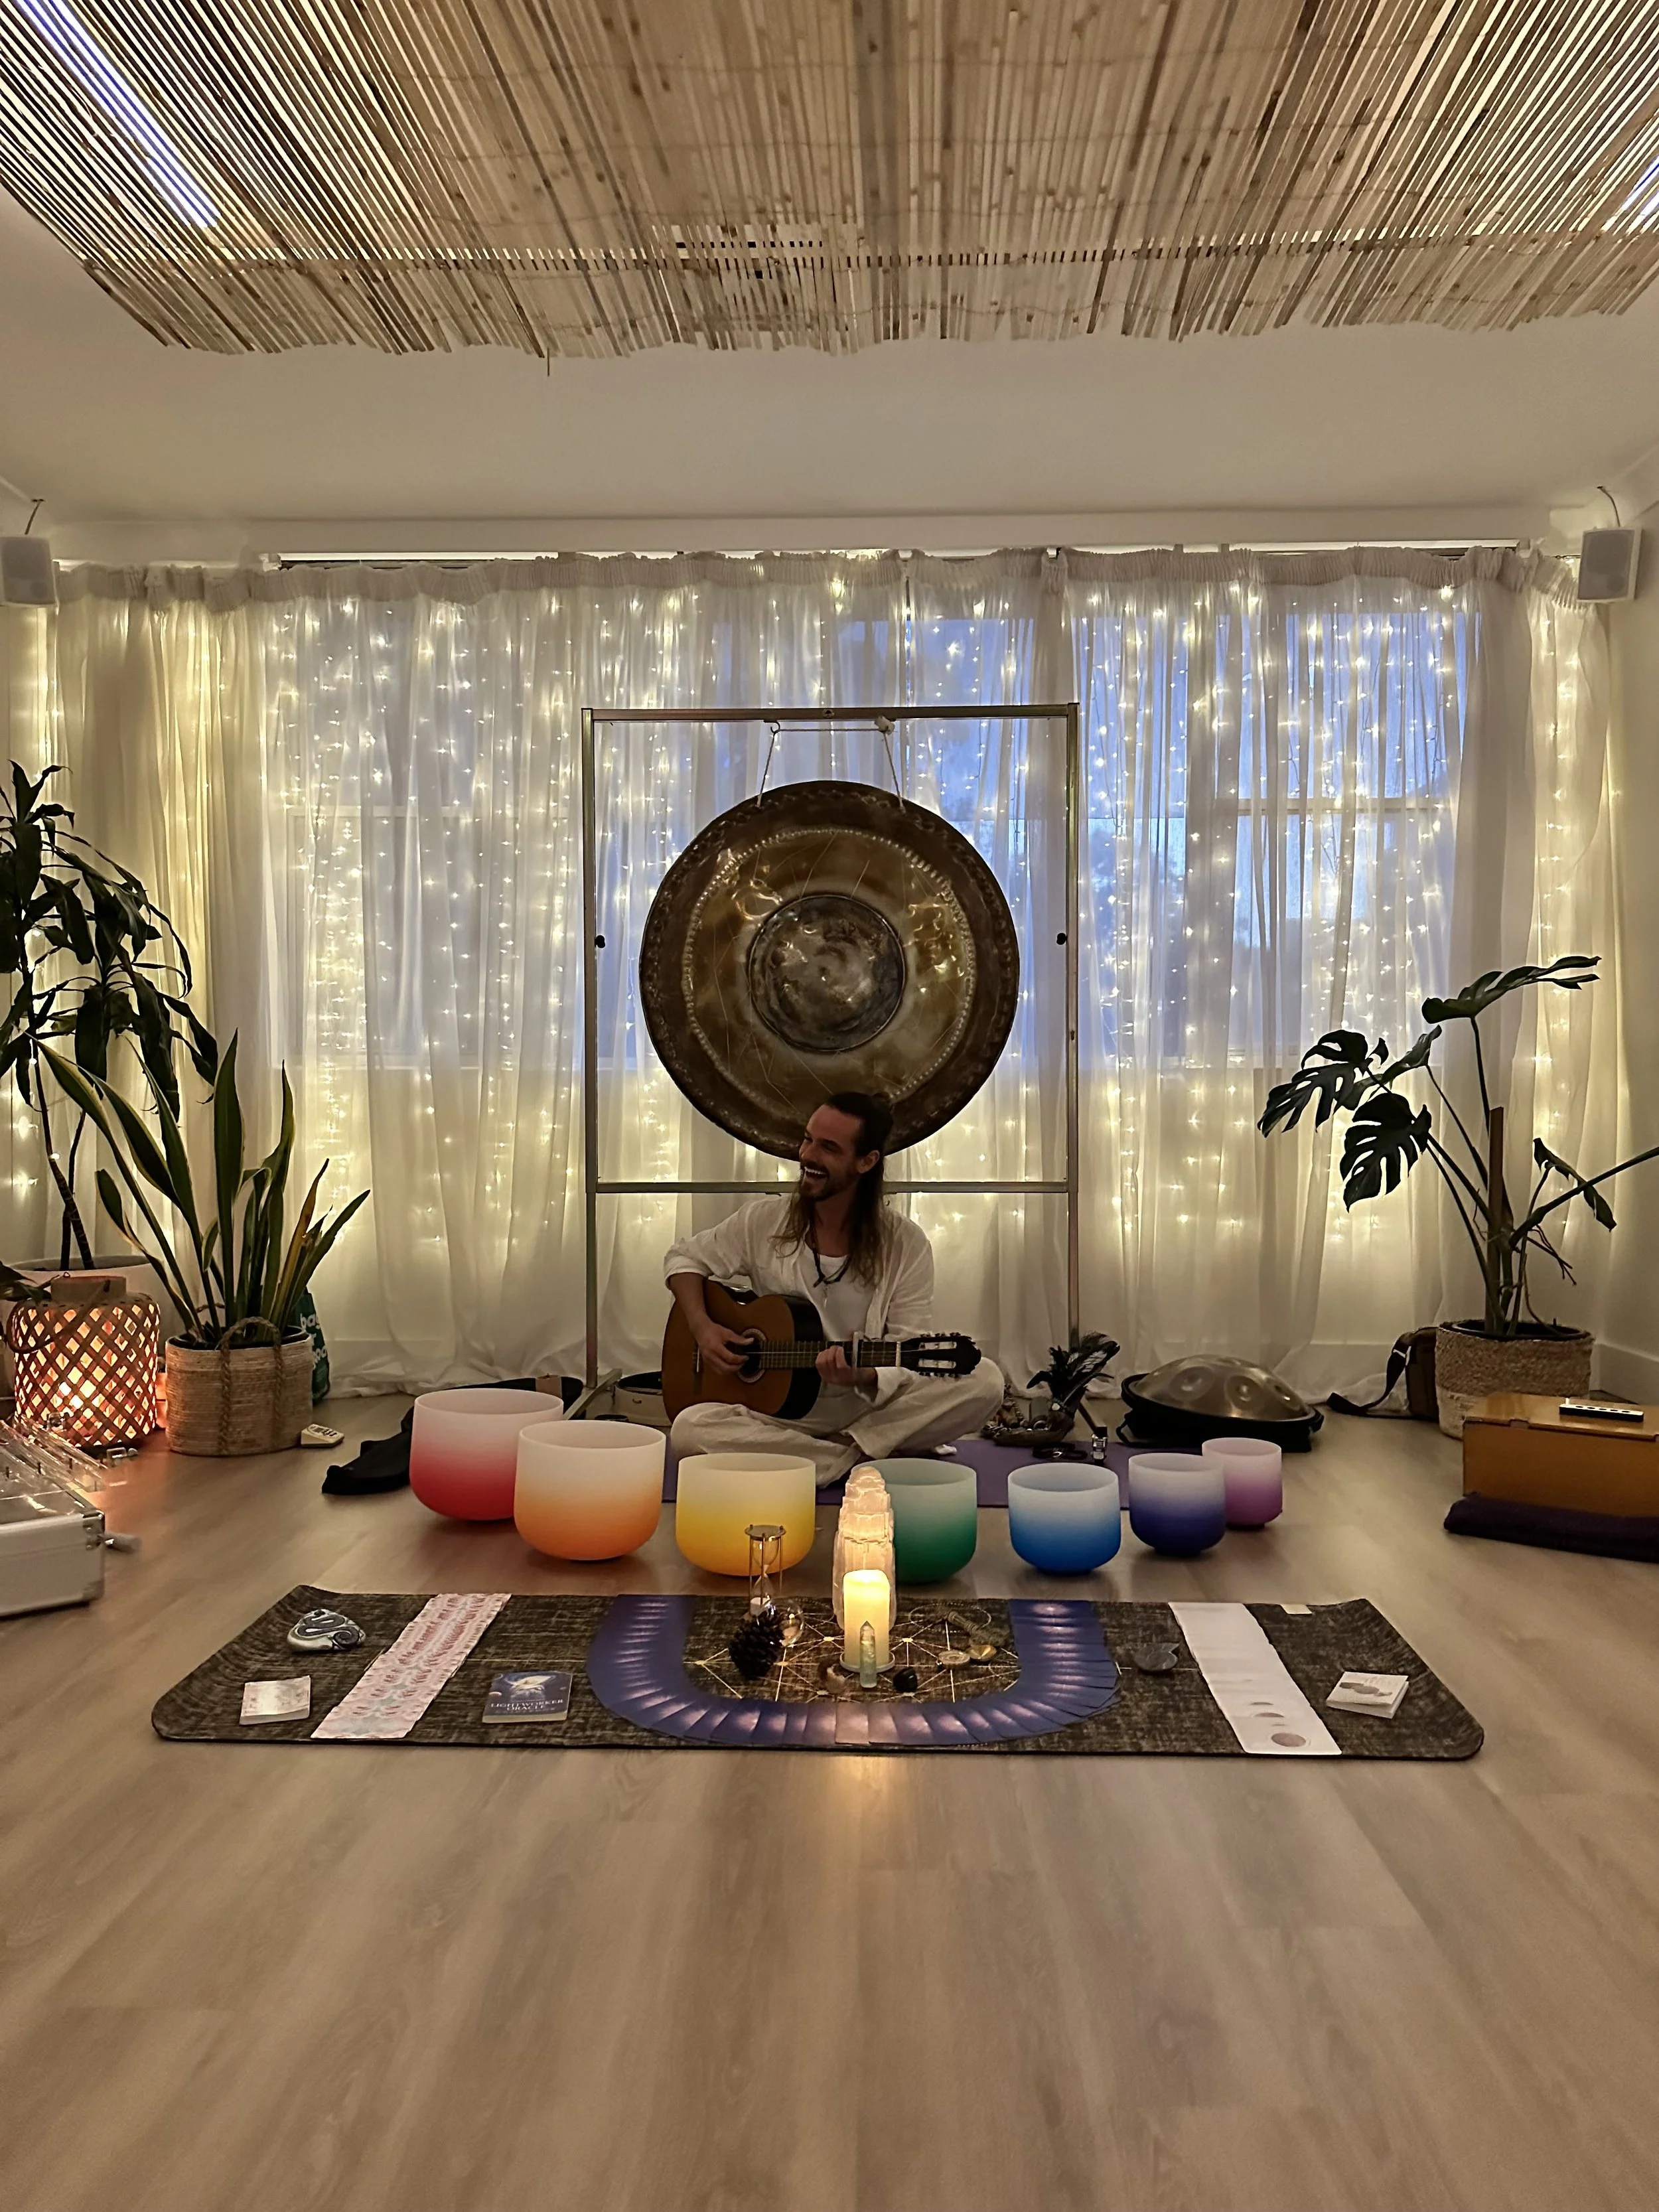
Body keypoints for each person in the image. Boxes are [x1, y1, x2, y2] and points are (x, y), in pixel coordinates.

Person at [664, 1091, 1005, 1485]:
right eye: (808, 1139)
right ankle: (856, 1461)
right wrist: (703, 1328)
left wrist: (862, 1376)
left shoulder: (906, 1246)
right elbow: (683, 1259)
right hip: (775, 1414)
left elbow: (907, 1343)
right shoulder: (763, 1220)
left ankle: (830, 1456)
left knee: (986, 1380)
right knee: (689, 1430)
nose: (808, 1156)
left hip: (865, 1411)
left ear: (866, 1161)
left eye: (828, 1147)